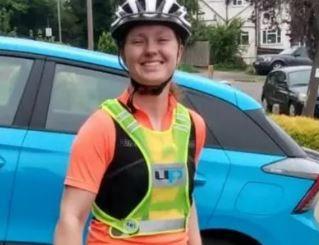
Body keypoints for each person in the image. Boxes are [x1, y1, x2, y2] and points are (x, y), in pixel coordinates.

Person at [54, 0, 206, 244]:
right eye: (138, 40)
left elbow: (186, 203)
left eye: (162, 39)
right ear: (123, 52)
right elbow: (71, 218)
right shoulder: (103, 127)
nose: (151, 50)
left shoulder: (192, 125)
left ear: (179, 50)